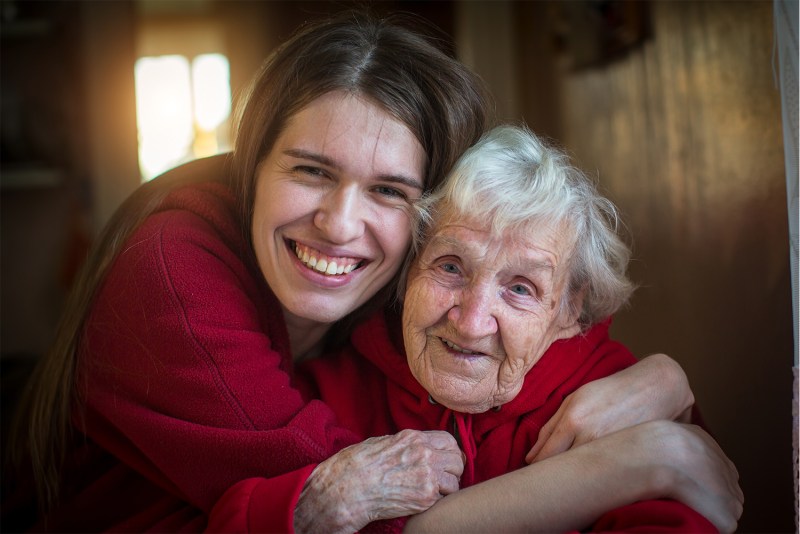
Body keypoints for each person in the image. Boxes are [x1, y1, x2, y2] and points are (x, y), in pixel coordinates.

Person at [3, 10, 734, 534]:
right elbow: (348, 506)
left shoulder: (409, 297)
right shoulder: (175, 271)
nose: (340, 224)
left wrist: (661, 379)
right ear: (250, 165)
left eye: (388, 190)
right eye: (311, 170)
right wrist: (641, 461)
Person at [292, 124, 743, 533]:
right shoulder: (321, 394)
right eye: (450, 266)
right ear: (411, 266)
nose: (471, 322)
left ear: (570, 307)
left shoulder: (618, 402)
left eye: (521, 289)